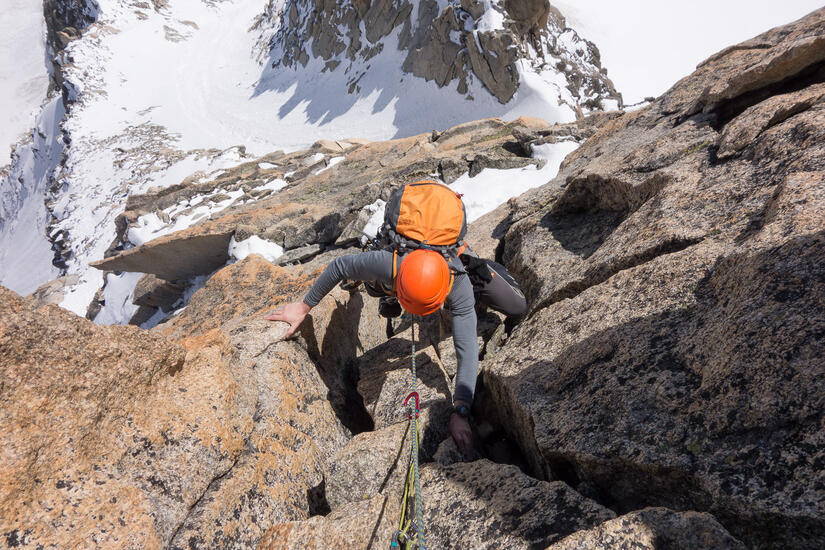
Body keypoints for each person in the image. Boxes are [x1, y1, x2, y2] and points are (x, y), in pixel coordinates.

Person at [266, 244, 526, 457]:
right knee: (373, 283)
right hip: (397, 268)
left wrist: (461, 409)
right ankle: (386, 292)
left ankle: (481, 267)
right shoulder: (388, 263)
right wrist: (304, 306)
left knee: (517, 306)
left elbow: (466, 349)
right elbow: (338, 265)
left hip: (453, 263)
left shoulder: (458, 286)